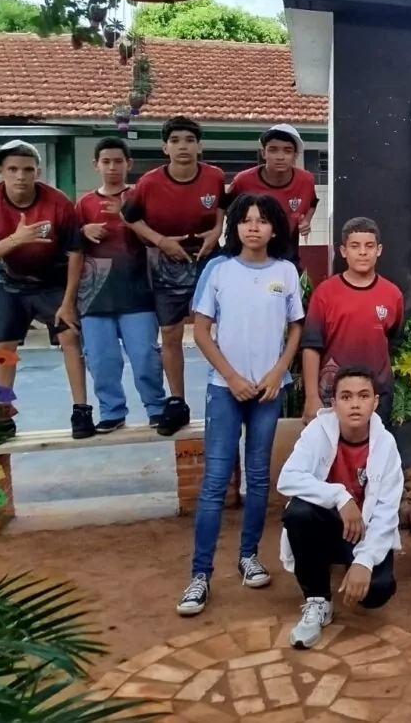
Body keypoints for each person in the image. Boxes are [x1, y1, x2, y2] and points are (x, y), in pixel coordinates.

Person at [176, 194, 304, 617]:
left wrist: (277, 374)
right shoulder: (218, 269)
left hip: (268, 393)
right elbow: (202, 330)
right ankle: (200, 575)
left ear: (274, 229)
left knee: (259, 480)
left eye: (262, 221)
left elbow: (295, 329)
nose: (254, 228)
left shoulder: (286, 271)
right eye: (246, 220)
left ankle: (249, 557)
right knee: (214, 482)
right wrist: (231, 378)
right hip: (223, 391)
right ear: (235, 226)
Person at [0, 140, 88, 437]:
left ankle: (81, 411)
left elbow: (76, 253)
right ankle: (0, 416)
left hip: (53, 282)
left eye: (27, 169)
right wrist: (15, 240)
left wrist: (68, 301)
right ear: (0, 171)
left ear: (38, 171)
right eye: (12, 169)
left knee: (70, 338)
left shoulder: (58, 202)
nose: (20, 175)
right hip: (10, 281)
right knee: (3, 348)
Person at [278, 366, 403, 649]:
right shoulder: (317, 433)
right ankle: (318, 599)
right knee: (298, 512)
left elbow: (386, 513)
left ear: (375, 402)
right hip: (328, 525)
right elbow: (288, 478)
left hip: (365, 531)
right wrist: (340, 496)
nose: (355, 404)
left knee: (377, 592)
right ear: (333, 404)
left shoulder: (386, 446)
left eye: (363, 396)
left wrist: (364, 561)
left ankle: (351, 563)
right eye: (346, 397)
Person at [123, 116, 228, 436]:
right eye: (176, 140)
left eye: (189, 140)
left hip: (208, 261)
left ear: (200, 145)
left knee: (222, 329)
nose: (183, 146)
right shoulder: (150, 183)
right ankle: (177, 402)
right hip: (166, 264)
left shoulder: (214, 176)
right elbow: (129, 217)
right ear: (165, 147)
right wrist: (160, 241)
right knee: (169, 334)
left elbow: (223, 207)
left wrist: (217, 229)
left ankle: (228, 393)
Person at [76, 137, 166, 433]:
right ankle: (112, 411)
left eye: (118, 161)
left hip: (137, 290)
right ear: (96, 165)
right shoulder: (84, 203)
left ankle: (156, 407)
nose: (112, 167)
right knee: (101, 361)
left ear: (128, 164)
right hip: (94, 294)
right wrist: (83, 230)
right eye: (106, 161)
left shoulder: (139, 197)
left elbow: (153, 240)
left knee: (145, 357)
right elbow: (73, 249)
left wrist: (128, 218)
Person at [301, 217, 403, 424]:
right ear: (343, 251)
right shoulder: (325, 293)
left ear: (379, 250)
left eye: (369, 246)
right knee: (332, 454)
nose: (363, 252)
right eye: (355, 246)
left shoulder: (393, 295)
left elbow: (392, 342)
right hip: (333, 394)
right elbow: (311, 347)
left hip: (377, 395)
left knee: (372, 453)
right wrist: (312, 397)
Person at [229, 123, 319, 270]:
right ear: (263, 153)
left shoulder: (306, 180)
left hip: (287, 252)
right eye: (273, 150)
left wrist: (306, 220)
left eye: (287, 151)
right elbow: (227, 210)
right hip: (249, 252)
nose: (280, 157)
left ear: (295, 155)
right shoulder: (243, 181)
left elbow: (313, 202)